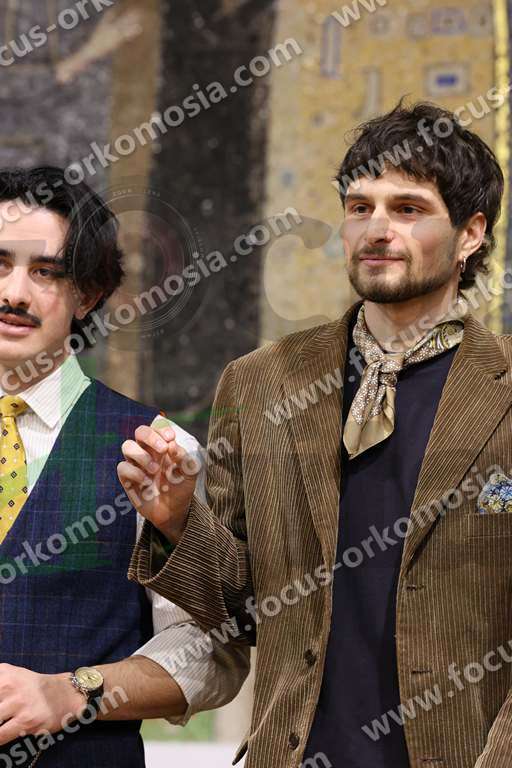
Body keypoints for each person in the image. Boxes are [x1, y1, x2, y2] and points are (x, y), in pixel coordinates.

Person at [120, 100, 512, 768]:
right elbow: (240, 613)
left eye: (408, 209)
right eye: (360, 207)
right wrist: (179, 520)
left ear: (470, 233)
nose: (376, 229)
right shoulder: (261, 382)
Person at [0, 166, 249, 768]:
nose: (14, 293)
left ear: (87, 295)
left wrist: (75, 692)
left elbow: (214, 652)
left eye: (46, 273)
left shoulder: (154, 450)